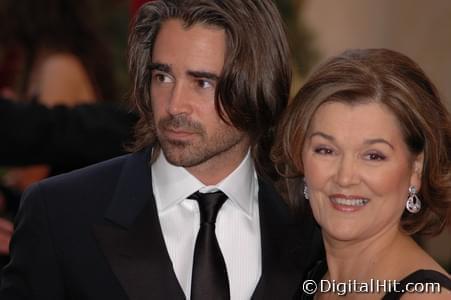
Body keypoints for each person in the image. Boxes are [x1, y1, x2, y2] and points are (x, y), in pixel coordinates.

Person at [0, 0, 322, 299]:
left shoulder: (312, 225)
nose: (174, 106)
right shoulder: (59, 212)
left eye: (203, 83)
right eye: (162, 76)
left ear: (256, 86)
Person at [273, 48, 451, 299]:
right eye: (326, 150)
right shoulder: (312, 282)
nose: (345, 178)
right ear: (299, 155)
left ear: (416, 168)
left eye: (373, 156)